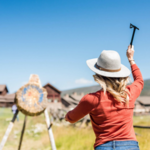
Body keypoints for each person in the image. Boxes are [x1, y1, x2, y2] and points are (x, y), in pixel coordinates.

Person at [65, 45, 143, 150]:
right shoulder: (130, 94)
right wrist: (131, 59)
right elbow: (139, 80)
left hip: (104, 146)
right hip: (130, 146)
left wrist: (67, 116)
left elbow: (71, 118)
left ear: (98, 74)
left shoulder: (91, 99)